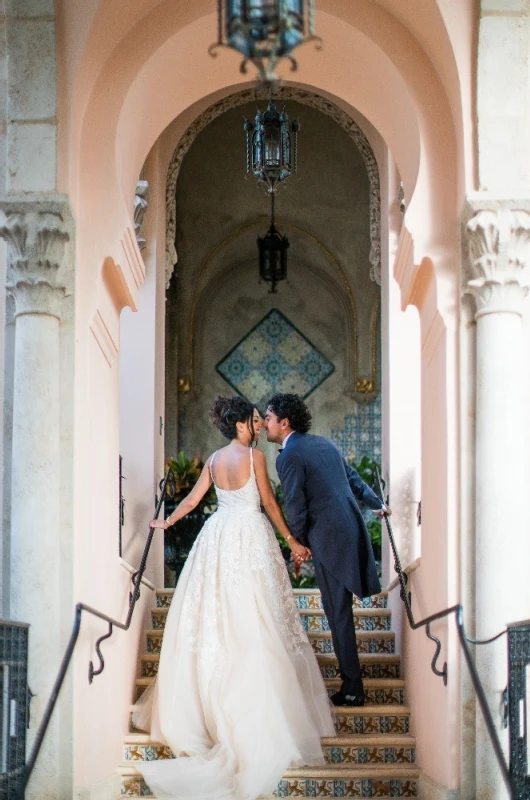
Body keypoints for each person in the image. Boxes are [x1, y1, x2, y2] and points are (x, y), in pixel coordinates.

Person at [131, 396, 335, 800]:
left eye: (262, 420)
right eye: (254, 420)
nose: (259, 425)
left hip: (218, 537)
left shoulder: (212, 459)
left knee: (220, 618)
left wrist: (166, 521)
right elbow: (270, 503)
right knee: (256, 619)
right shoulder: (255, 458)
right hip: (248, 537)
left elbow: (191, 500)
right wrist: (292, 540)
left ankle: (212, 707)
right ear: (241, 424)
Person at [264, 393, 391, 708]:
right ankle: (351, 684)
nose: (265, 423)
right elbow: (354, 480)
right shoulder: (325, 444)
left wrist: (300, 542)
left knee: (338, 612)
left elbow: (295, 503)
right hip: (349, 529)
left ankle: (352, 689)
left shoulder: (288, 456)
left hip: (328, 537)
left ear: (284, 421)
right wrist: (378, 504)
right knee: (340, 612)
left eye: (268, 417)